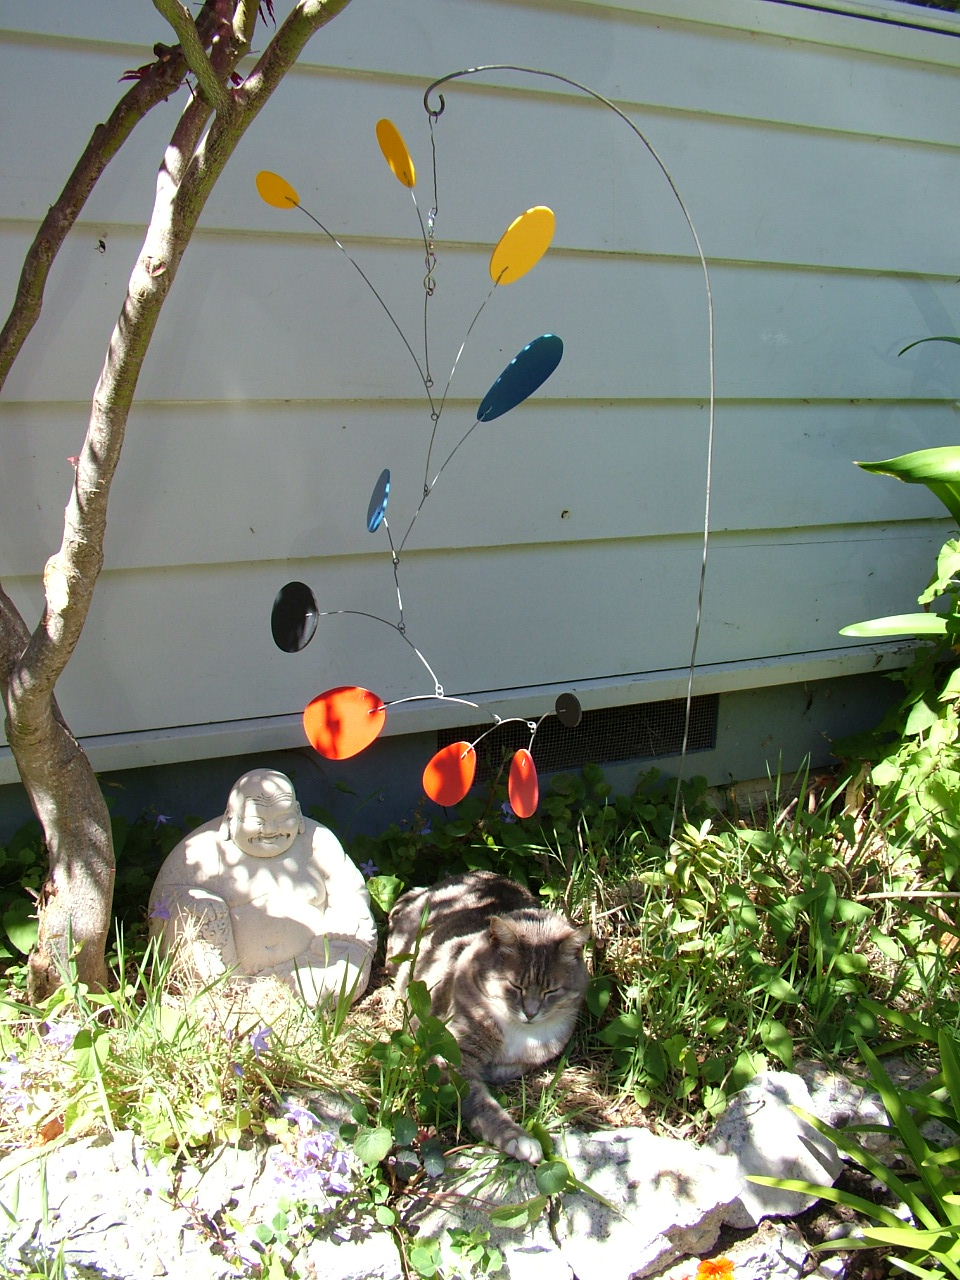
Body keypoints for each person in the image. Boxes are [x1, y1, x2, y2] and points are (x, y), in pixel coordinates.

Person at [149, 769, 376, 1007]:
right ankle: (231, 1001)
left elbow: (351, 898)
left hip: (313, 969)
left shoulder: (318, 842)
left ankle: (281, 1001)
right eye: (258, 821)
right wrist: (199, 908)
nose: (270, 830)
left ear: (298, 814)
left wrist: (333, 947)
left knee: (344, 973)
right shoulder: (199, 853)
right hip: (227, 982)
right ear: (230, 818)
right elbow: (164, 908)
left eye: (283, 818)